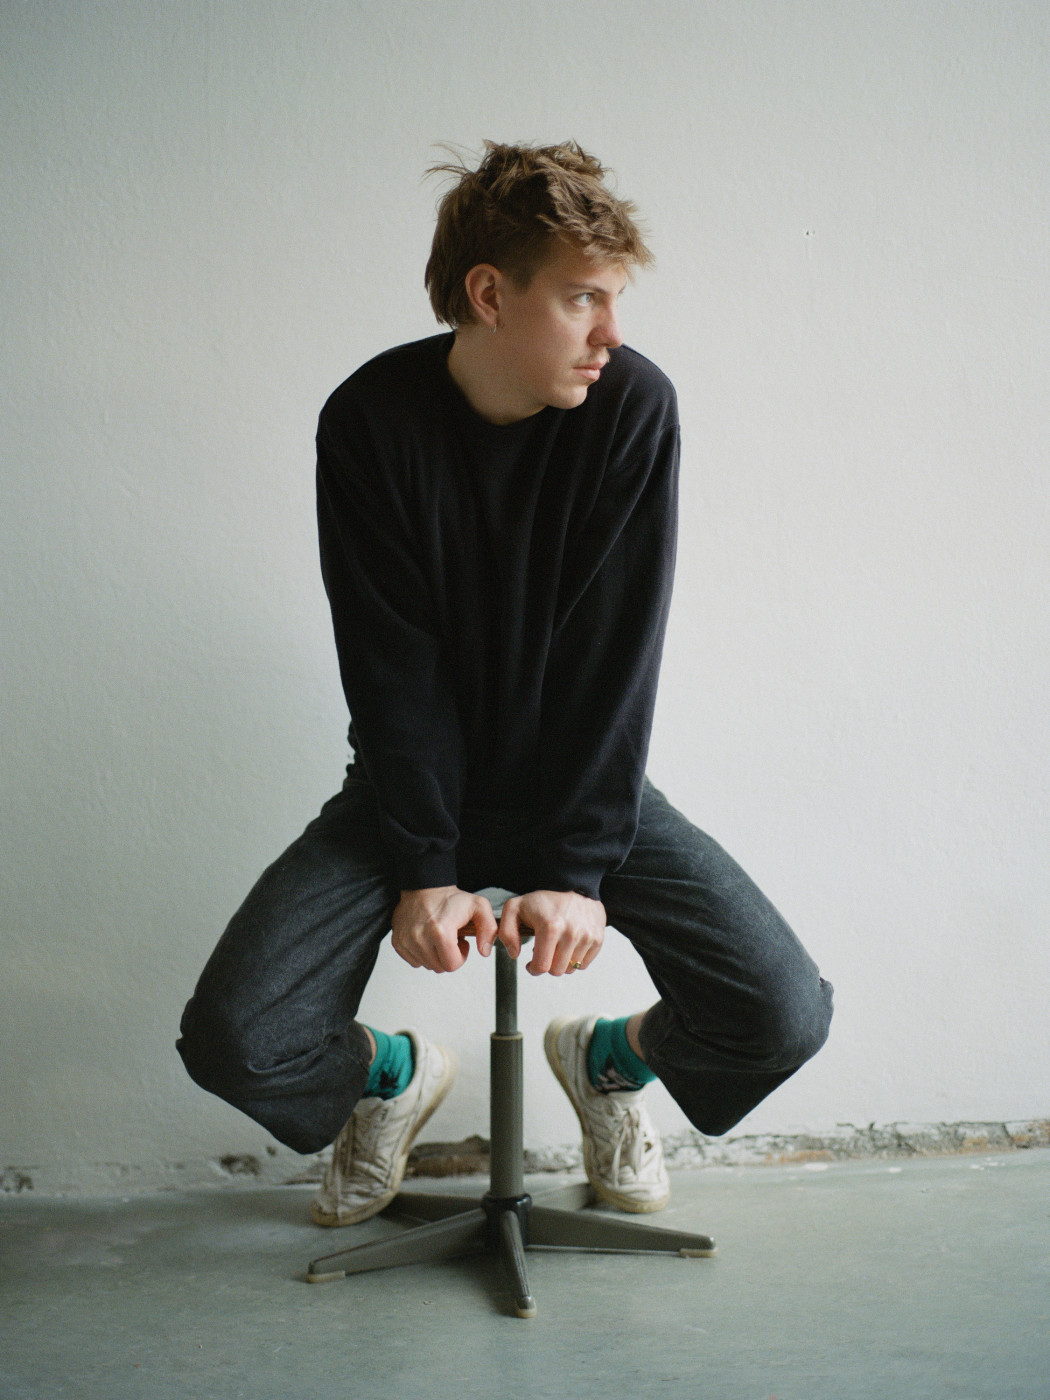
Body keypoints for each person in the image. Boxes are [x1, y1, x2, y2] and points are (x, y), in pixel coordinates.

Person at [177, 140, 833, 1227]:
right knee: (235, 1039)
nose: (610, 333)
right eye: (582, 299)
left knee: (782, 1016)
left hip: (580, 784)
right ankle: (392, 1078)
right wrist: (424, 866)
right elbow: (391, 667)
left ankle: (610, 1062)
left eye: (615, 300)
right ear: (489, 294)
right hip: (407, 792)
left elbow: (614, 662)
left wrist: (576, 868)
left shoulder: (631, 407)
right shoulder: (370, 421)